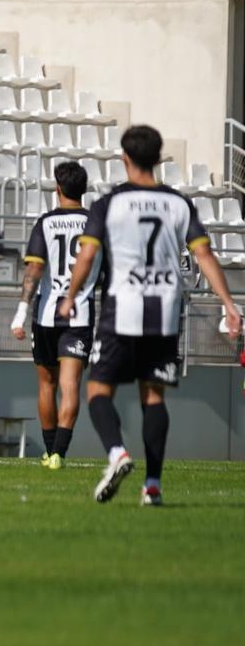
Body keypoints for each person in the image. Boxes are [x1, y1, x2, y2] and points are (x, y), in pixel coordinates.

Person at [59, 125, 241, 505]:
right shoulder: (178, 203)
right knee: (153, 395)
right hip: (164, 311)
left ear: (124, 158)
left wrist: (71, 295)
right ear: (158, 159)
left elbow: (88, 255)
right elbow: (205, 255)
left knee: (97, 390)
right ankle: (153, 484)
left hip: (122, 308)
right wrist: (229, 303)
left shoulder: (109, 204)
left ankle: (117, 453)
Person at [10, 162, 99, 470]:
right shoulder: (96, 224)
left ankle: (49, 452)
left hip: (46, 316)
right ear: (84, 190)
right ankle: (60, 452)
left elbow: (34, 270)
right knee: (71, 384)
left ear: (57, 188)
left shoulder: (45, 223)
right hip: (79, 315)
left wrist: (20, 312)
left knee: (46, 385)